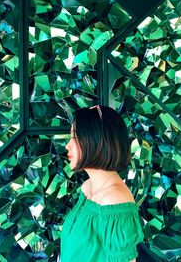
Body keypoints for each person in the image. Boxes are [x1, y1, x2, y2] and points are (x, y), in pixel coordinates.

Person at [60, 105, 144, 262]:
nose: (67, 145)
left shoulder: (114, 199)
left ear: (96, 140)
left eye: (75, 138)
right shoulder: (87, 187)